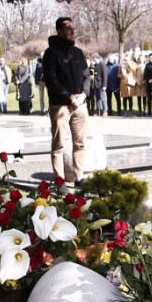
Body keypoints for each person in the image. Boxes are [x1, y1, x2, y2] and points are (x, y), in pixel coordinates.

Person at [43, 17, 91, 184]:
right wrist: (68, 96)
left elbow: (87, 75)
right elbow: (51, 80)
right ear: (59, 31)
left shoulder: (78, 52)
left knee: (80, 142)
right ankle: (59, 180)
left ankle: (79, 176)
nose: (72, 31)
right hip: (60, 105)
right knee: (58, 145)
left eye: (73, 27)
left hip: (80, 104)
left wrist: (84, 94)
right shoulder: (51, 53)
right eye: (68, 28)